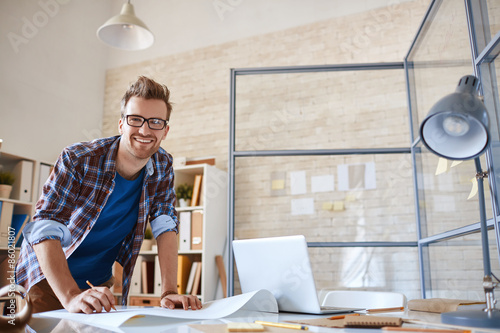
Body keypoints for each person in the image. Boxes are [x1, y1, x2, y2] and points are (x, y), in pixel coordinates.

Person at [15, 76, 202, 313]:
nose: (145, 130)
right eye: (136, 119)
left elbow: (165, 224)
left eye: (155, 122)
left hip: (98, 284)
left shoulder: (163, 164)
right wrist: (71, 295)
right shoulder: (78, 159)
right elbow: (45, 227)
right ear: (121, 124)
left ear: (165, 130)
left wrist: (169, 292)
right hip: (48, 282)